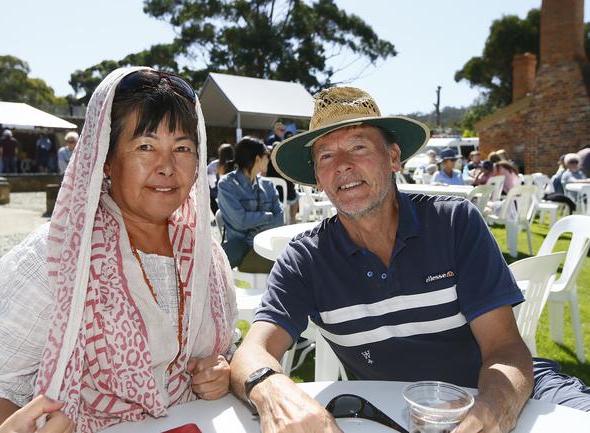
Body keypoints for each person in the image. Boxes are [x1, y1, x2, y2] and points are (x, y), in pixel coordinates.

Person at [230, 86, 590, 433]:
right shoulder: (305, 258)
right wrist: (273, 390)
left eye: (358, 147)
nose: (342, 165)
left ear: (394, 158)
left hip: (516, 396)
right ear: (318, 179)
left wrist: (493, 412)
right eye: (326, 156)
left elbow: (505, 348)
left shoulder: (454, 223)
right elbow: (253, 351)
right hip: (395, 415)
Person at [0, 68, 238, 433]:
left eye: (182, 148)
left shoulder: (207, 257)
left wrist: (221, 371)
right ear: (105, 159)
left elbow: (227, 349)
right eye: (145, 147)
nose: (167, 168)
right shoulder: (58, 255)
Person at [217, 136, 284, 273]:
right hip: (242, 251)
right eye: (267, 156)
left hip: (263, 247)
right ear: (258, 159)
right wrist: (267, 216)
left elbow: (280, 219)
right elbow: (240, 221)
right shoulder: (227, 185)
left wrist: (252, 233)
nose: (269, 159)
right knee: (287, 266)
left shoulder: (268, 185)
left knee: (293, 260)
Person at [266, 139, 300, 223]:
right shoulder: (286, 162)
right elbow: (292, 178)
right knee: (296, 196)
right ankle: (292, 218)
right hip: (287, 195)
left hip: (272, 196)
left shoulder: (267, 163)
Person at [207, 143, 234, 214]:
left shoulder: (215, 164)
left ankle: (218, 214)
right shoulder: (236, 164)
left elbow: (207, 173)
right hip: (232, 191)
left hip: (218, 190)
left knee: (210, 195)